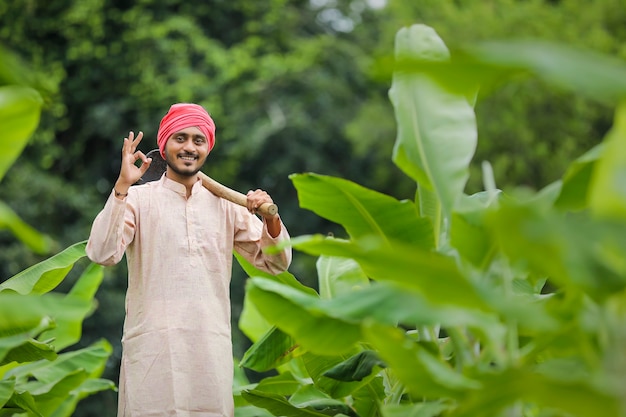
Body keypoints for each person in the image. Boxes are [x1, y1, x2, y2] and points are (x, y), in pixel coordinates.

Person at [86, 103, 292, 417]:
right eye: (180, 138)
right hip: (153, 354)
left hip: (209, 354)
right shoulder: (137, 200)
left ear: (207, 149)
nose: (189, 147)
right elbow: (102, 253)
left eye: (198, 140)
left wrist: (272, 221)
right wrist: (122, 186)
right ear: (164, 147)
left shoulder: (227, 206)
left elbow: (276, 263)